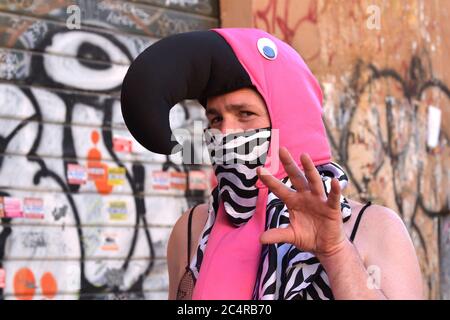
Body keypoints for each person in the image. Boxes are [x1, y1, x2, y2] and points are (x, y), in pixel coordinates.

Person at [120, 28, 423, 300]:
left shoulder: (372, 227)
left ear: (289, 119)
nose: (225, 133)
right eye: (215, 119)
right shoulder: (192, 229)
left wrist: (336, 251)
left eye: (245, 115)